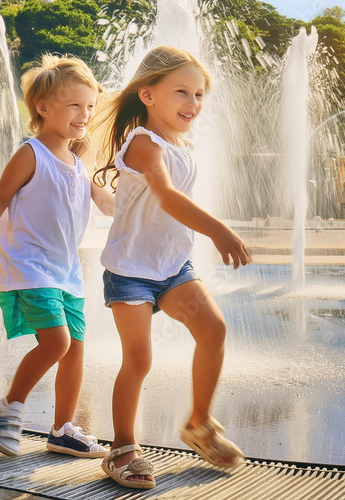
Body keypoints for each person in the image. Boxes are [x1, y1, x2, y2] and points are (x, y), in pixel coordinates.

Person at [94, 46, 251, 490]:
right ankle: (122, 447)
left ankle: (198, 423)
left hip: (172, 267)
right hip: (130, 269)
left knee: (214, 330)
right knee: (139, 358)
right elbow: (164, 195)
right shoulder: (144, 143)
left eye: (199, 94)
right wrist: (218, 229)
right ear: (148, 95)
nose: (193, 103)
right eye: (181, 92)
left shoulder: (185, 143)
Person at [0, 54, 114, 459]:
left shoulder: (81, 163)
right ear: (44, 108)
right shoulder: (31, 153)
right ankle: (8, 406)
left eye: (90, 107)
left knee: (75, 347)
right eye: (75, 106)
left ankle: (63, 429)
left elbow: (108, 205)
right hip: (29, 265)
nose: (85, 115)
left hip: (67, 271)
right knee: (57, 342)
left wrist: (142, 197)